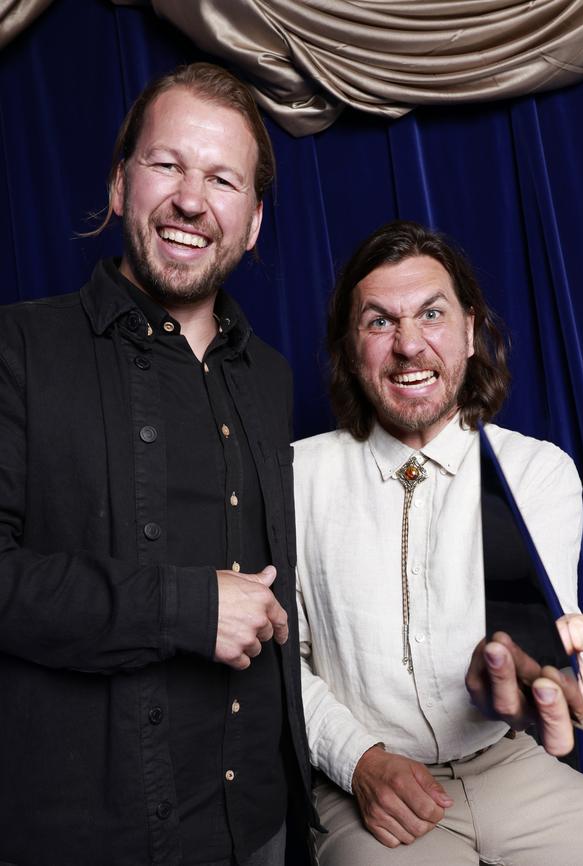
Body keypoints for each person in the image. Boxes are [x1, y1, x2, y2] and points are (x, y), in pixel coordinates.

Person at [0, 63, 317, 866]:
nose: (189, 198)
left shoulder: (273, 378)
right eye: (166, 164)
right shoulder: (17, 348)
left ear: (250, 223)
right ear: (119, 185)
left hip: (260, 829)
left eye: (221, 178)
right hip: (85, 838)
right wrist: (182, 608)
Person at [293, 220, 583, 865]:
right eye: (379, 323)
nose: (409, 346)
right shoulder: (294, 476)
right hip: (371, 791)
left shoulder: (538, 471)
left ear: (468, 327)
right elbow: (282, 662)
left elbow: (536, 634)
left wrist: (535, 673)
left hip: (509, 768)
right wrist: (360, 762)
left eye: (432, 314)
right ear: (349, 346)